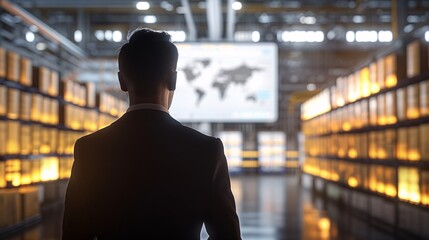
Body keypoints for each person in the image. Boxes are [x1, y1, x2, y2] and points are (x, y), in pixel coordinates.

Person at [62, 28, 241, 239]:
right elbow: (228, 236)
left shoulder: (90, 148)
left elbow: (74, 234)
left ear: (122, 82)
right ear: (173, 80)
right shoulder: (207, 149)